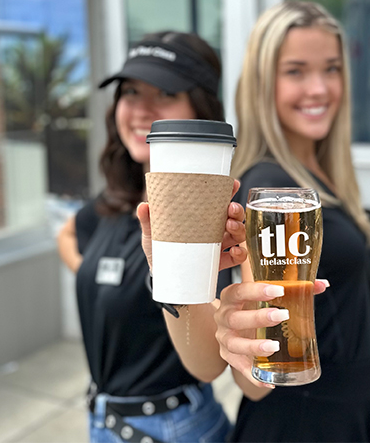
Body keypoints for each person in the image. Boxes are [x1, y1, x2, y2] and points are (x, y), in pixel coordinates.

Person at [139, 0, 370, 442]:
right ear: (261, 85)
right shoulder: (273, 190)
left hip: (346, 414)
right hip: (304, 426)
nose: (319, 88)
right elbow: (256, 378)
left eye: (331, 69)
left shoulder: (320, 172)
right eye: (295, 71)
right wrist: (238, 336)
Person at [56, 31, 246, 443]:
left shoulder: (216, 217)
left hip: (173, 427)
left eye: (163, 93)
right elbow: (66, 235)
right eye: (130, 92)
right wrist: (106, 276)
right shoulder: (113, 204)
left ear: (199, 109)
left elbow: (210, 363)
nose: (141, 110)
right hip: (103, 421)